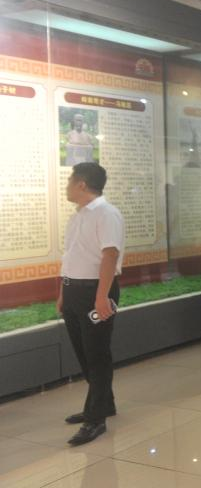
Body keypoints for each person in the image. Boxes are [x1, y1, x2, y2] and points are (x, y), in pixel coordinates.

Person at [59, 162, 124, 446]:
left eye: (70, 180)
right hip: (73, 291)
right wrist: (63, 292)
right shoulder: (78, 216)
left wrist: (101, 296)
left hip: (95, 292)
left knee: (97, 353)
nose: (67, 185)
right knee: (84, 352)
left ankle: (96, 419)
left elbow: (110, 255)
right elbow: (71, 256)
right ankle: (104, 403)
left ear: (82, 184)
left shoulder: (106, 214)